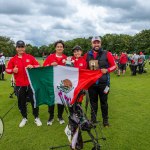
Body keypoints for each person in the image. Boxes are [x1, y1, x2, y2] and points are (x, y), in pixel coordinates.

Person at [6, 40, 42, 127]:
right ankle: (24, 118)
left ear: (24, 48)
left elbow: (38, 66)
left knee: (34, 101)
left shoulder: (30, 57)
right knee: (21, 103)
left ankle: (36, 117)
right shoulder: (13, 59)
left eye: (22, 47)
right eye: (19, 47)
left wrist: (32, 66)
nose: (20, 48)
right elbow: (7, 69)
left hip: (30, 84)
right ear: (16, 48)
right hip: (19, 85)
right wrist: (12, 70)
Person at [84, 36, 116, 127]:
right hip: (92, 83)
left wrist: (107, 70)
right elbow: (83, 67)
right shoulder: (87, 54)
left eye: (98, 42)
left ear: (100, 43)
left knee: (104, 102)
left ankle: (105, 121)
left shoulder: (107, 53)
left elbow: (114, 66)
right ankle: (93, 120)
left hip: (104, 83)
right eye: (94, 42)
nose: (96, 44)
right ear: (92, 44)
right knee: (93, 103)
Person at [43, 40, 67, 126]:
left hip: (62, 83)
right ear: (55, 48)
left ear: (63, 48)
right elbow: (44, 67)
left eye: (61, 46)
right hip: (51, 82)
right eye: (58, 46)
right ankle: (51, 116)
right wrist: (50, 64)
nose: (59, 48)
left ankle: (60, 116)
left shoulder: (66, 58)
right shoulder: (50, 57)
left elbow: (69, 69)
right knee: (51, 100)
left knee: (61, 100)